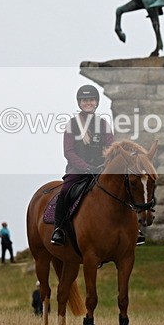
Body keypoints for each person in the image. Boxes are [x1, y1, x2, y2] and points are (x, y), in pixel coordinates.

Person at [51, 85, 115, 246]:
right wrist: (86, 167)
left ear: (96, 102)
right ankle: (59, 229)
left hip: (101, 170)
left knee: (123, 187)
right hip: (78, 171)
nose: (88, 103)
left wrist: (104, 165)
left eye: (91, 100)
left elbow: (111, 148)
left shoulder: (104, 125)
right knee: (65, 191)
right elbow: (69, 152)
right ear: (79, 103)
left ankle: (133, 228)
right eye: (85, 100)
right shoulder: (71, 125)